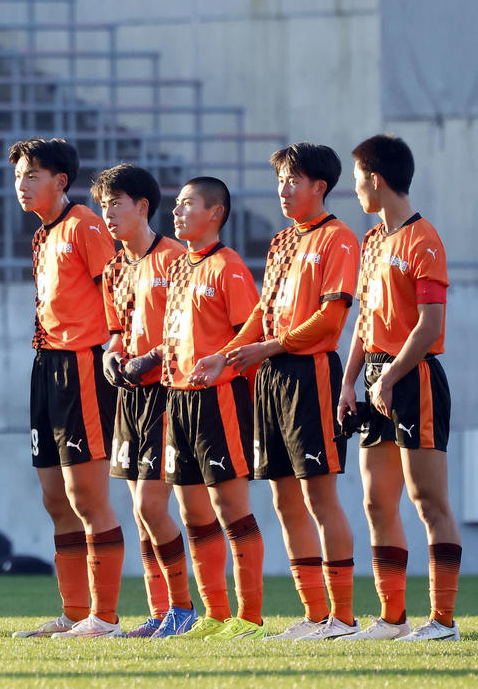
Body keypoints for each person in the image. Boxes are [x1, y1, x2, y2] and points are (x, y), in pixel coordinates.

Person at [192, 144, 361, 640]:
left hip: (310, 373)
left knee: (319, 496)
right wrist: (226, 354)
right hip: (272, 376)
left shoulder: (339, 238)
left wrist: (268, 347)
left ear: (319, 187)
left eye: (293, 180)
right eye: (281, 180)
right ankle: (314, 615)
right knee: (286, 501)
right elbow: (262, 313)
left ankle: (343, 617)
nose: (283, 189)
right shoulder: (283, 240)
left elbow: (331, 318)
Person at [335, 134, 461, 641]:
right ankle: (392, 620)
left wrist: (389, 377)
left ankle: (443, 622)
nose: (355, 188)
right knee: (376, 502)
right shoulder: (370, 242)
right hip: (375, 378)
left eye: (357, 178)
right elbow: (364, 322)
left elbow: (430, 325)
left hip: (414, 378)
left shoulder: (424, 238)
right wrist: (349, 382)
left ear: (376, 178)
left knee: (428, 501)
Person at [6, 139, 124, 639]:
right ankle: (75, 612)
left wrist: (117, 347)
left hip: (83, 365)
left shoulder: (85, 225)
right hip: (46, 365)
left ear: (60, 181)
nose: (21, 184)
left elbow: (116, 290)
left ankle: (105, 617)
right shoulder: (43, 234)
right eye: (18, 176)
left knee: (86, 496)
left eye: (32, 175)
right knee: (56, 498)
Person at [93, 164, 197, 638]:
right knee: (140, 512)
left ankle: (183, 608)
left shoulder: (175, 258)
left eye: (115, 203)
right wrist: (111, 356)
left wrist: (151, 358)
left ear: (142, 206)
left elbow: (187, 329)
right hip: (129, 397)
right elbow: (116, 331)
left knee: (152, 507)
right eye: (102, 205)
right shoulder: (114, 268)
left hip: (167, 393)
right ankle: (161, 613)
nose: (107, 213)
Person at [163, 177, 264, 640]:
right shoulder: (179, 267)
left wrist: (225, 366)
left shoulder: (229, 266)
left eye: (188, 204)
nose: (177, 212)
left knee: (230, 508)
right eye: (177, 204)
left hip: (219, 399)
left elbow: (251, 334)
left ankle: (249, 617)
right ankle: (216, 614)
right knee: (192, 512)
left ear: (216, 213)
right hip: (178, 398)